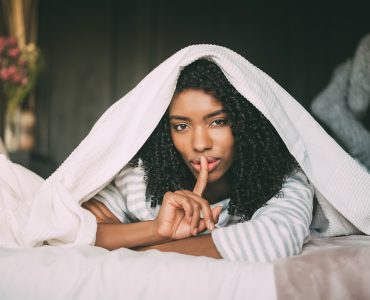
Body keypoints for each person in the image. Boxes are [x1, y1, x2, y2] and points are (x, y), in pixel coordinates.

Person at [82, 59, 314, 262]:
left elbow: (274, 240)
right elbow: (83, 229)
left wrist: (146, 250)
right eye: (181, 126)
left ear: (246, 123)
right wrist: (156, 230)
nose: (200, 143)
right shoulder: (140, 177)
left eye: (218, 122)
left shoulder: (281, 179)